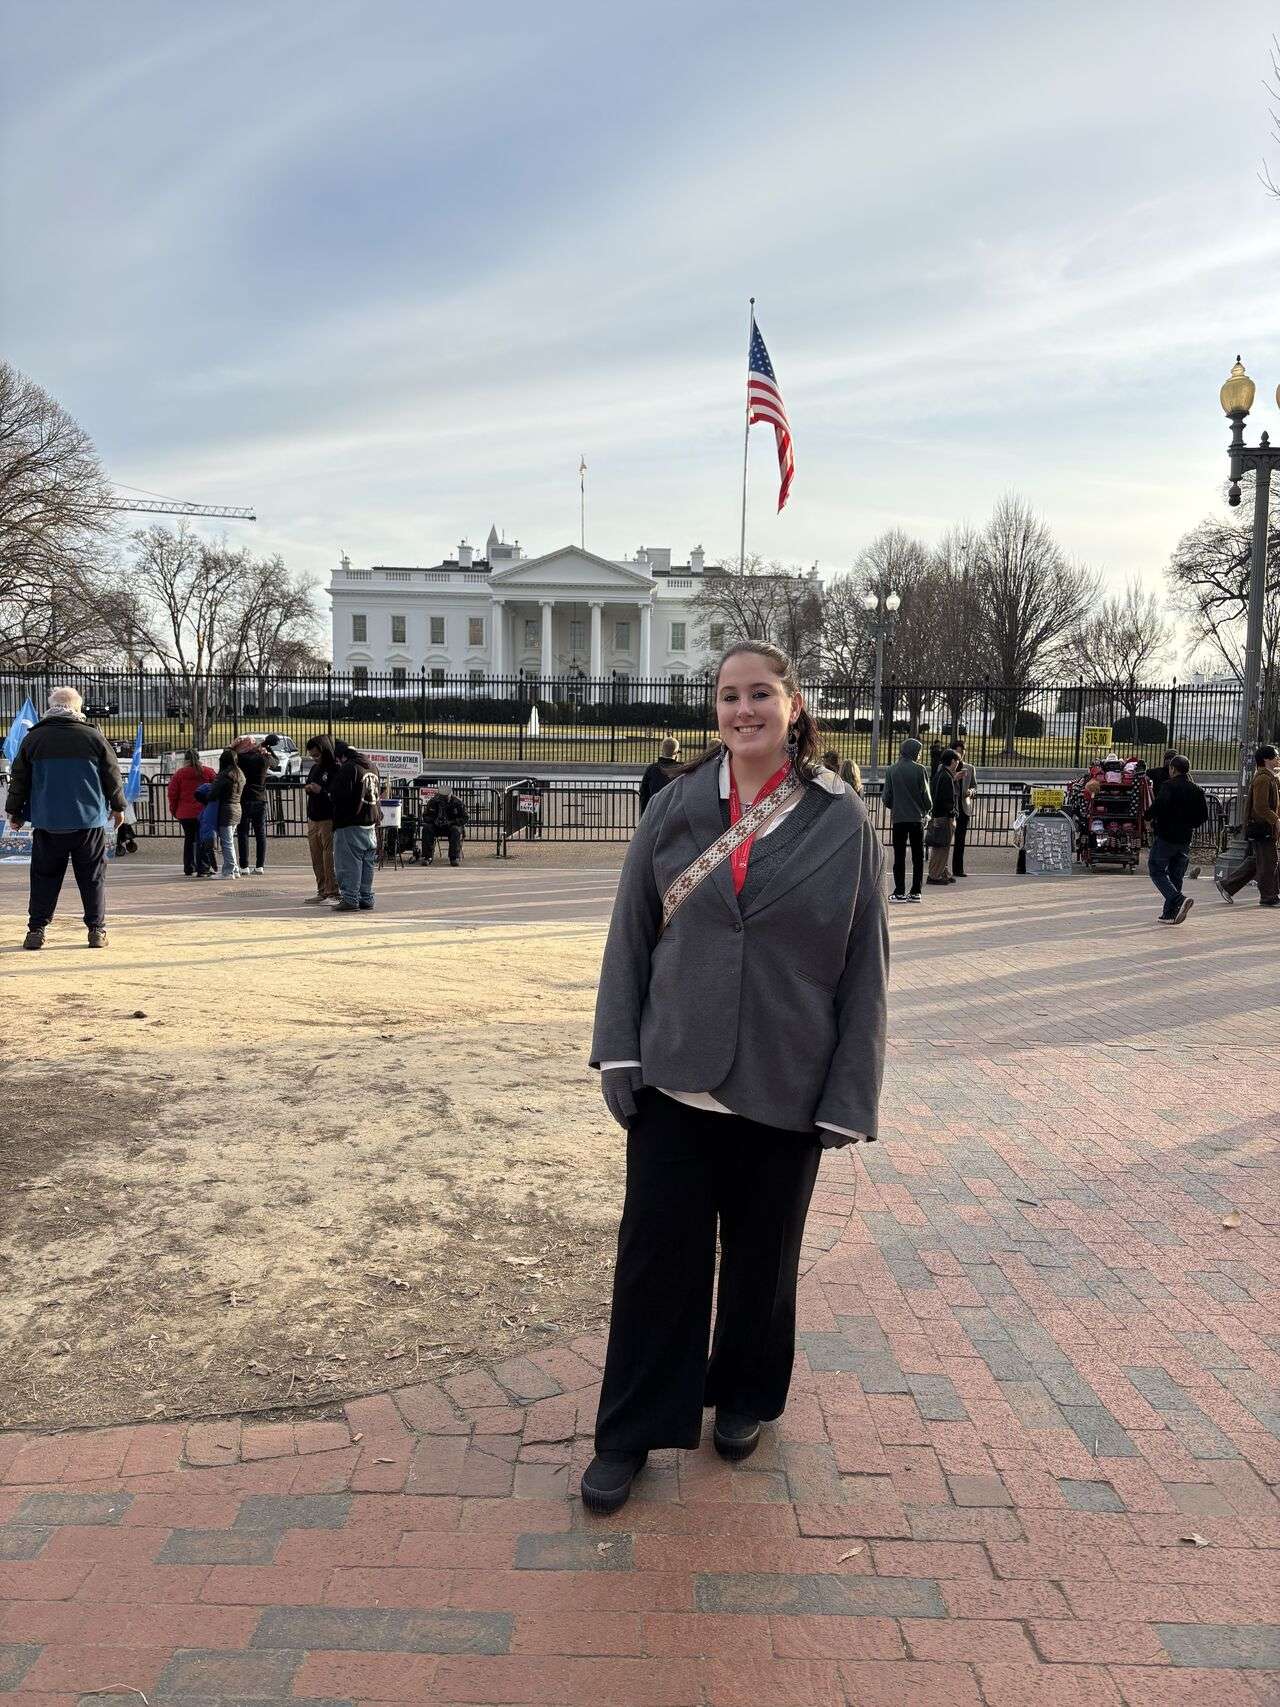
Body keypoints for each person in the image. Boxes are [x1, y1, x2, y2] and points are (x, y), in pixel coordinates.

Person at [582, 640, 888, 1513]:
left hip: (787, 1080)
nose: (743, 710)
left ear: (794, 705)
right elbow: (630, 932)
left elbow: (867, 966)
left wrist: (849, 1093)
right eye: (728, 696)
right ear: (713, 709)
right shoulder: (676, 806)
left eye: (760, 694)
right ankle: (629, 1430)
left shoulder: (841, 819)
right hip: (677, 1078)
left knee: (764, 1260)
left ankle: (747, 1392)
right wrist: (620, 1050)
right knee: (655, 1261)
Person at [6, 686, 125, 951]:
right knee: (92, 877)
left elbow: (20, 780)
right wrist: (118, 807)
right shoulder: (93, 736)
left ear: (51, 707)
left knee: (43, 877)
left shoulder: (33, 739)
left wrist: (14, 812)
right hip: (88, 820)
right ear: (77, 708)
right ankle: (96, 930)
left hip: (48, 821)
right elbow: (112, 776)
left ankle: (36, 930)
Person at [1146, 754, 1207, 924]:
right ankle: (1170, 914)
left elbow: (1159, 805)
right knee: (1176, 875)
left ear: (1172, 769)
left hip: (1166, 835)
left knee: (1156, 869)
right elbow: (1203, 816)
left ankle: (1178, 899)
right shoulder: (1196, 789)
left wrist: (1147, 817)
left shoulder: (1168, 786)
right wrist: (1189, 824)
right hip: (1185, 838)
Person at [1217, 744, 1280, 907]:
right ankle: (1268, 896)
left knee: (1257, 862)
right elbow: (1260, 806)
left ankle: (1227, 885)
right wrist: (1276, 820)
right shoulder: (1263, 779)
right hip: (1263, 827)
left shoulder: (1268, 777)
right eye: (1275, 755)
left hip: (1264, 827)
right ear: (1266, 759)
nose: (1278, 758)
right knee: (1268, 862)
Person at [880, 737, 932, 903]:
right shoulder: (920, 769)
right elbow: (926, 796)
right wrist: (926, 809)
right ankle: (916, 891)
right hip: (916, 818)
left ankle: (899, 890)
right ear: (914, 752)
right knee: (917, 857)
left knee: (899, 856)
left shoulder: (892, 770)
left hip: (899, 819)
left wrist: (895, 806)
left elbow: (886, 797)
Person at [330, 740, 380, 911]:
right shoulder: (371, 766)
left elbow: (337, 796)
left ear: (341, 756)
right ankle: (366, 896)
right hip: (370, 821)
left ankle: (350, 898)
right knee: (367, 863)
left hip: (350, 822)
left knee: (348, 863)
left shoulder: (349, 768)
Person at [233, 736, 278, 874]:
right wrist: (268, 749)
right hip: (260, 797)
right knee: (260, 833)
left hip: (244, 798)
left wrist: (233, 746)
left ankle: (244, 866)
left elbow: (229, 757)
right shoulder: (263, 758)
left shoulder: (241, 759)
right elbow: (276, 762)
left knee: (243, 833)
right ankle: (260, 866)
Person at [302, 735, 339, 904]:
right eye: (312, 756)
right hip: (314, 817)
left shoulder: (335, 768)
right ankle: (322, 889)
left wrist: (321, 791)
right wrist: (309, 788)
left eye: (317, 755)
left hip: (328, 818)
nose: (315, 759)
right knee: (316, 856)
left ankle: (333, 891)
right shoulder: (315, 768)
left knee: (328, 856)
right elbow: (310, 784)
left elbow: (337, 794)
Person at [167, 748, 215, 877]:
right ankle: (203, 867)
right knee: (203, 839)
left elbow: (172, 794)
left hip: (185, 812)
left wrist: (174, 810)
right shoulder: (208, 772)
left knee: (189, 839)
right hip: (203, 811)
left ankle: (189, 866)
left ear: (185, 759)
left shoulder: (179, 774)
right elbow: (215, 790)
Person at [205, 749, 244, 879]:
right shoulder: (239, 774)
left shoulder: (225, 775)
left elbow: (213, 793)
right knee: (230, 841)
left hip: (226, 810)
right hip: (237, 808)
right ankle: (235, 869)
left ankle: (228, 871)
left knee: (226, 842)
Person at [926, 750, 960, 885]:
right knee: (941, 847)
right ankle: (934, 875)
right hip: (944, 817)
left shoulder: (940, 774)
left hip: (939, 816)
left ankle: (944, 873)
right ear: (952, 761)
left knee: (942, 847)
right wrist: (953, 813)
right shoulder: (946, 777)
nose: (958, 763)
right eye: (957, 761)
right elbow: (946, 800)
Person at [420, 786, 467, 865]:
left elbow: (465, 818)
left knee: (455, 830)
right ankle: (427, 857)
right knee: (427, 828)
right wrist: (434, 820)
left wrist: (452, 822)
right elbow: (425, 816)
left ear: (450, 795)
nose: (444, 800)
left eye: (446, 798)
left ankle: (454, 857)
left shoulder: (458, 802)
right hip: (436, 825)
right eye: (442, 798)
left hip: (451, 826)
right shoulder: (433, 801)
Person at [951, 737, 975, 878]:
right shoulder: (946, 767)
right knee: (945, 841)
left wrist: (970, 792)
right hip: (950, 808)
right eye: (958, 752)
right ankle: (943, 869)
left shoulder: (970, 768)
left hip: (963, 807)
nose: (961, 755)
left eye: (963, 752)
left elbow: (974, 786)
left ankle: (958, 869)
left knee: (960, 841)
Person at [638, 737, 682, 812]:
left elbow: (644, 794)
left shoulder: (652, 769)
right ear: (676, 753)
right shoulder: (682, 769)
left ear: (662, 750)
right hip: (675, 812)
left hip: (655, 810)